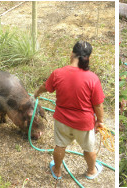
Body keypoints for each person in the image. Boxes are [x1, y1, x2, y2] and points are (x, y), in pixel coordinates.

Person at [34, 41, 105, 180]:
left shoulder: (58, 73)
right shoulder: (92, 78)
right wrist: (100, 121)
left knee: (60, 145)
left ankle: (57, 170)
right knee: (88, 148)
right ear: (88, 58)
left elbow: (45, 87)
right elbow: (98, 105)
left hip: (62, 121)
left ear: (71, 54)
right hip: (84, 124)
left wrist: (37, 93)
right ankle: (91, 171)